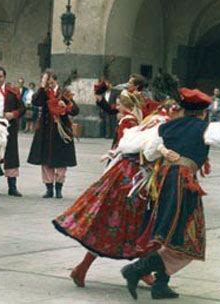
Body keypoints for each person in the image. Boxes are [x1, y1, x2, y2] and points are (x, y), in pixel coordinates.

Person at [120, 87, 220, 300]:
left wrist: (159, 150)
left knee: (178, 235)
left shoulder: (165, 127)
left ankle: (160, 284)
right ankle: (136, 270)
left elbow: (130, 143)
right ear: (203, 112)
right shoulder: (205, 128)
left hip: (166, 181)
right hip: (182, 183)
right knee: (182, 236)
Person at [53, 93, 178, 289]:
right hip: (133, 178)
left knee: (127, 224)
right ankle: (90, 268)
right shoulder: (162, 125)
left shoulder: (151, 121)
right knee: (137, 224)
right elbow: (147, 150)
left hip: (127, 175)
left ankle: (85, 268)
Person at [27, 70, 79, 199]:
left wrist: (66, 107)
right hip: (45, 130)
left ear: (55, 80)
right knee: (45, 160)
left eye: (50, 81)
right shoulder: (43, 93)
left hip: (61, 131)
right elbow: (36, 102)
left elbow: (75, 110)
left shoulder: (64, 93)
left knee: (61, 161)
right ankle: (49, 187)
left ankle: (59, 187)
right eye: (46, 81)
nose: (49, 83)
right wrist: (41, 87)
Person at [0, 67, 25, 197]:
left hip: (9, 127)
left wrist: (13, 114)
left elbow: (22, 108)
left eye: (0, 77)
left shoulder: (13, 91)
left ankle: (12, 186)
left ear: (4, 77)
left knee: (11, 154)